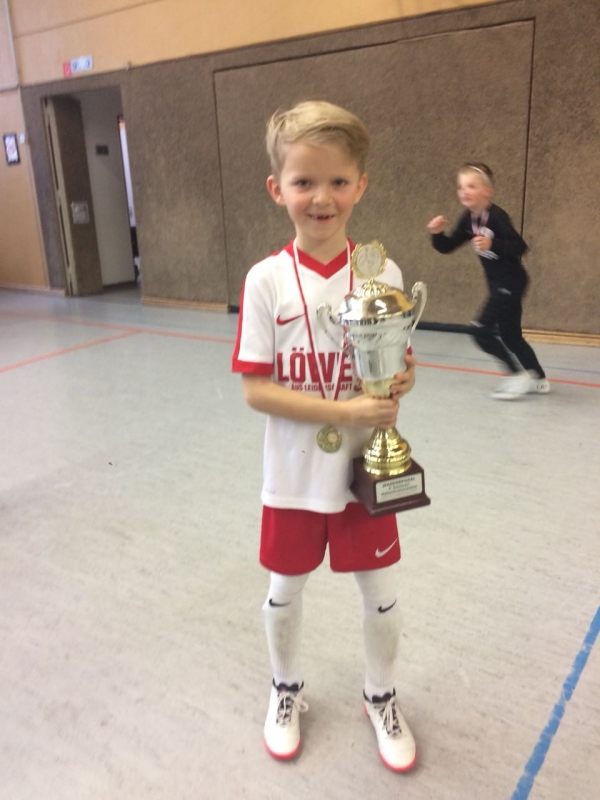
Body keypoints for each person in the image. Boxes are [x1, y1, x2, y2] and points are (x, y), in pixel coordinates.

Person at [231, 101, 418, 772]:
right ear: (276, 187)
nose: (322, 197)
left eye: (338, 181)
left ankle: (381, 695)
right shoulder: (266, 280)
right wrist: (343, 413)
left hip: (364, 471)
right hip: (292, 472)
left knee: (382, 592)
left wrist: (399, 383)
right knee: (285, 589)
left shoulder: (382, 275)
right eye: (304, 181)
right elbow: (255, 390)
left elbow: (396, 367)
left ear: (361, 185)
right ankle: (286, 689)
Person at [427, 162, 549, 400]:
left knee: (479, 330)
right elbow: (447, 247)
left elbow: (520, 247)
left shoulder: (497, 217)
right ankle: (539, 378)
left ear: (487, 191)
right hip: (497, 283)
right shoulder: (468, 219)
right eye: (461, 186)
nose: (464, 191)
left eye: (471, 186)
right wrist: (437, 234)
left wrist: (493, 244)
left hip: (511, 281)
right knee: (511, 336)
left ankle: (517, 375)